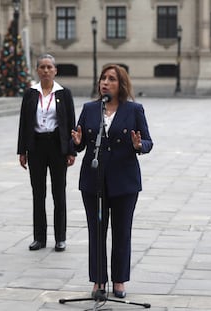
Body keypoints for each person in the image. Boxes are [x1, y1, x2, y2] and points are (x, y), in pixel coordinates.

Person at [71, 64, 153, 298]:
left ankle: (119, 281)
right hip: (93, 182)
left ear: (121, 84)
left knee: (121, 232)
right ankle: (98, 281)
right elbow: (78, 144)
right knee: (96, 232)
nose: (105, 82)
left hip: (124, 182)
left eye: (111, 79)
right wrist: (76, 142)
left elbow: (148, 141)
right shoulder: (89, 109)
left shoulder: (134, 110)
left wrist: (139, 146)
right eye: (103, 78)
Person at [17, 54, 76, 252]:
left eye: (49, 67)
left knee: (59, 193)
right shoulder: (30, 93)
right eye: (42, 67)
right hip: (36, 146)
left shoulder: (64, 93)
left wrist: (71, 150)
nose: (45, 70)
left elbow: (70, 123)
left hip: (57, 146)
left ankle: (60, 238)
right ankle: (39, 238)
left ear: (55, 70)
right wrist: (22, 150)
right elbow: (24, 123)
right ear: (37, 70)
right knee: (38, 193)